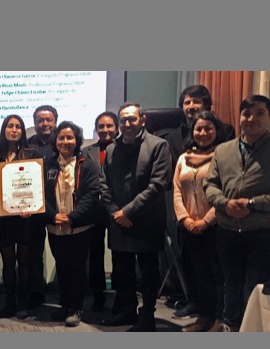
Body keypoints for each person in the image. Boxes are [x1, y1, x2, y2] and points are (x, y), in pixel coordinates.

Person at [153, 84, 235, 319]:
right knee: (190, 263)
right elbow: (176, 186)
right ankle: (195, 304)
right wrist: (184, 217)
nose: (191, 106)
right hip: (185, 217)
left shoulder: (226, 135)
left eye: (195, 101)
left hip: (216, 219)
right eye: (187, 102)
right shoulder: (173, 139)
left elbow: (226, 184)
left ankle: (218, 314)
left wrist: (207, 219)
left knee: (215, 269)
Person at [99, 103, 172, 332]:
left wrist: (127, 212)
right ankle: (125, 311)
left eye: (132, 119)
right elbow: (104, 184)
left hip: (146, 221)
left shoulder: (159, 146)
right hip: (119, 222)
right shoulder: (112, 148)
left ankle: (147, 317)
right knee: (122, 271)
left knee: (148, 273)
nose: (127, 124)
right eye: (123, 120)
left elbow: (158, 185)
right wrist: (115, 212)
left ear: (143, 119)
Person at [204, 95, 270, 332]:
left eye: (259, 113)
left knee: (256, 288)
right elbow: (209, 184)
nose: (251, 119)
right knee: (229, 284)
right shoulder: (223, 150)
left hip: (261, 232)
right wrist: (224, 204)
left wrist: (252, 202)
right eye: (246, 113)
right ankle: (230, 327)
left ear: (268, 117)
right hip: (228, 230)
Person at [173, 111, 226, 332]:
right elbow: (176, 191)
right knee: (198, 274)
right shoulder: (183, 158)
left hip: (215, 226)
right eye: (198, 129)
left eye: (208, 128)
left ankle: (220, 319)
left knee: (218, 275)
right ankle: (204, 317)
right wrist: (185, 218)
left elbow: (226, 191)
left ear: (217, 131)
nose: (203, 133)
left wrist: (205, 221)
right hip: (189, 227)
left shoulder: (223, 156)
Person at [44, 121, 100, 327]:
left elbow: (92, 194)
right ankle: (65, 305)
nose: (65, 142)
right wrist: (52, 216)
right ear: (55, 141)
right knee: (62, 266)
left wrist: (72, 217)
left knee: (77, 268)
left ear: (76, 141)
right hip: (55, 227)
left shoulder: (87, 164)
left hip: (80, 227)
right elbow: (41, 196)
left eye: (70, 138)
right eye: (61, 138)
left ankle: (75, 308)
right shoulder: (48, 165)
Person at [0, 114, 39, 319]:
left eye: (18, 126)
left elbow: (37, 186)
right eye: (10, 126)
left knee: (24, 262)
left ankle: (23, 302)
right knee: (8, 262)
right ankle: (10, 301)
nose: (14, 129)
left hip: (25, 217)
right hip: (3, 219)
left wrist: (32, 206)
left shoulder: (31, 154)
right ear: (3, 130)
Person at [81, 111, 119, 312]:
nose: (105, 130)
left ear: (116, 127)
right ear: (95, 130)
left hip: (118, 209)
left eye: (109, 126)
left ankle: (121, 296)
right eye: (101, 126)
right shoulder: (86, 152)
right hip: (94, 210)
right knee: (95, 255)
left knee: (119, 254)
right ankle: (98, 296)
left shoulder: (124, 148)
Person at [26, 105, 58, 308]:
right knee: (34, 254)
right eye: (40, 120)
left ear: (55, 121)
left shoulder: (64, 142)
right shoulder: (27, 146)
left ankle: (67, 296)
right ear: (34, 122)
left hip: (58, 207)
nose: (44, 124)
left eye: (48, 120)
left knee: (62, 253)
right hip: (33, 207)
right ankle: (36, 295)